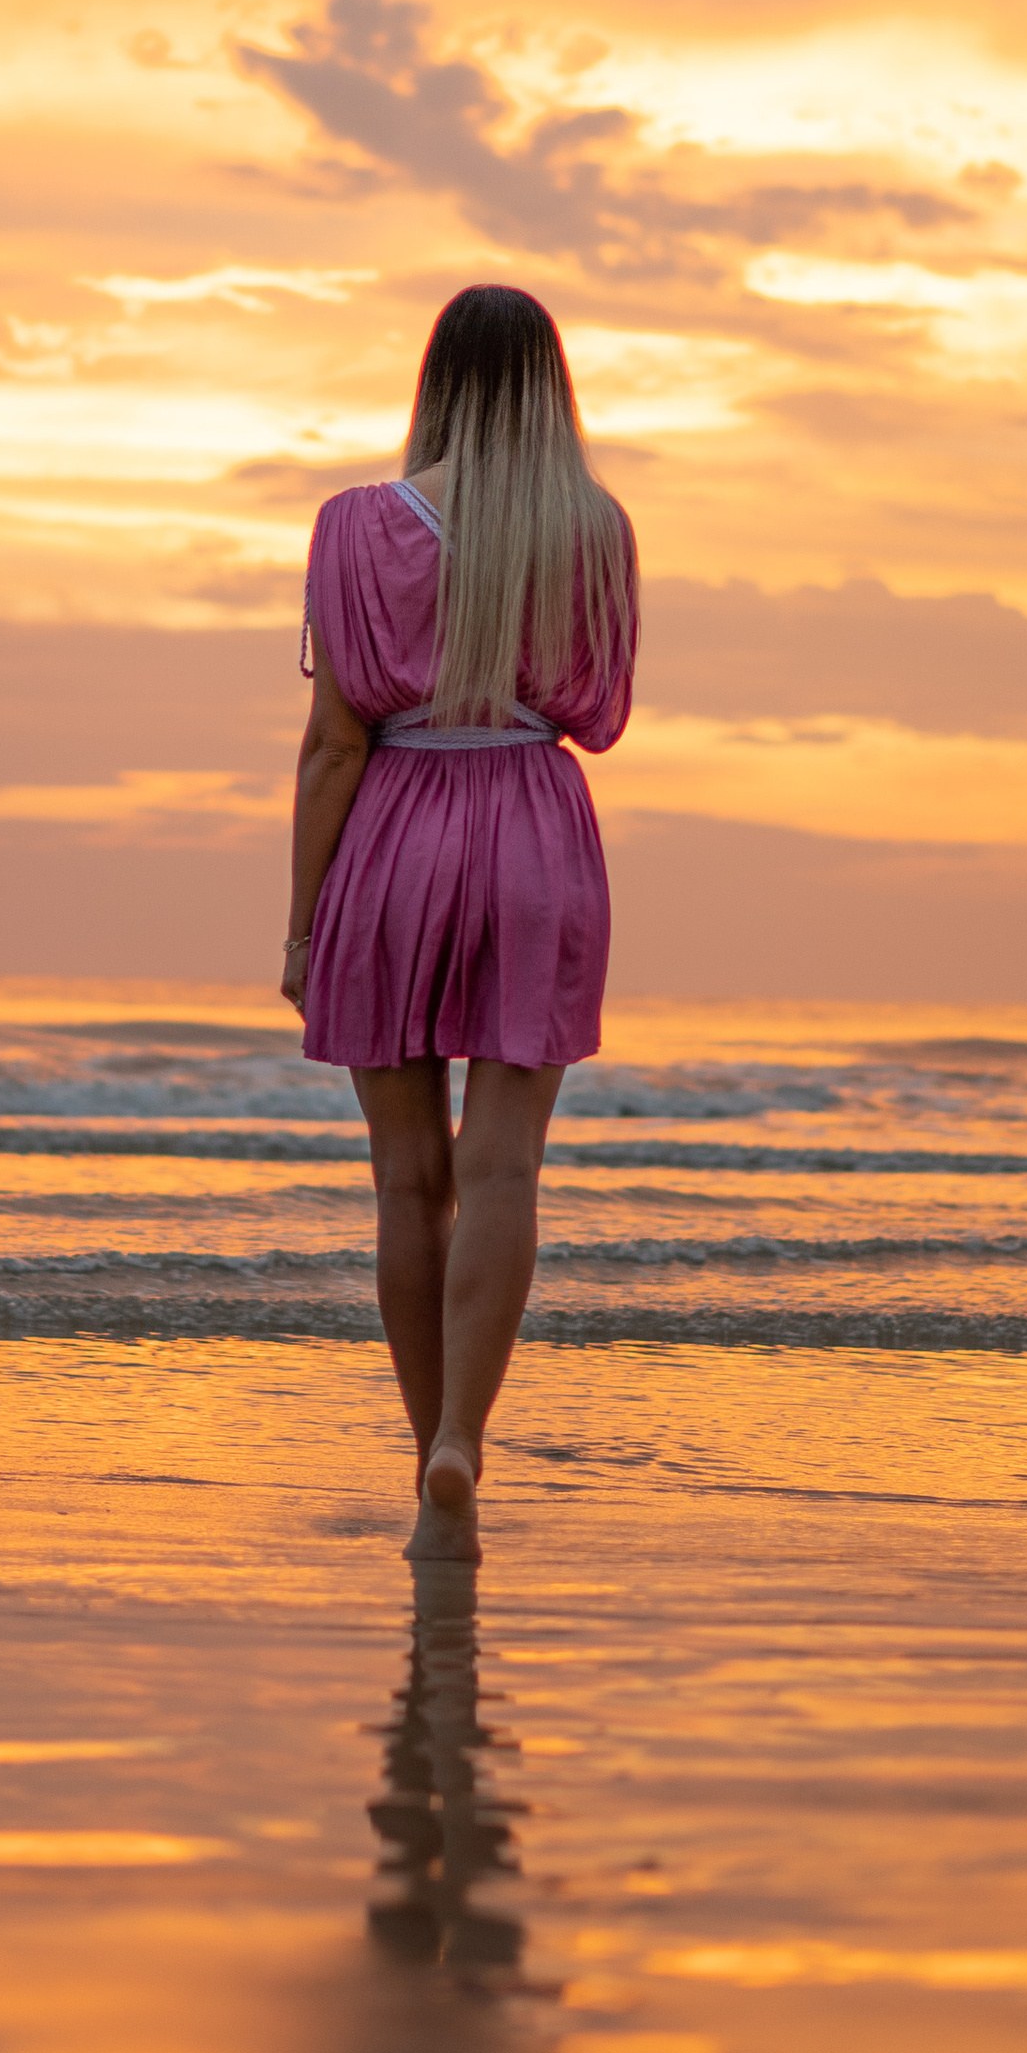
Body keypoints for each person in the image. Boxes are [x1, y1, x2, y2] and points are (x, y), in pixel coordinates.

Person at [281, 284, 638, 1528]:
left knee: (403, 1179)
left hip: (395, 830)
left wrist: (299, 922)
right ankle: (462, 1443)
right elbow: (596, 715)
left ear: (433, 379)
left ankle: (421, 1444)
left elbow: (334, 743)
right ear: (551, 388)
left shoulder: (353, 524)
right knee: (504, 1170)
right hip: (534, 830)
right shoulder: (591, 528)